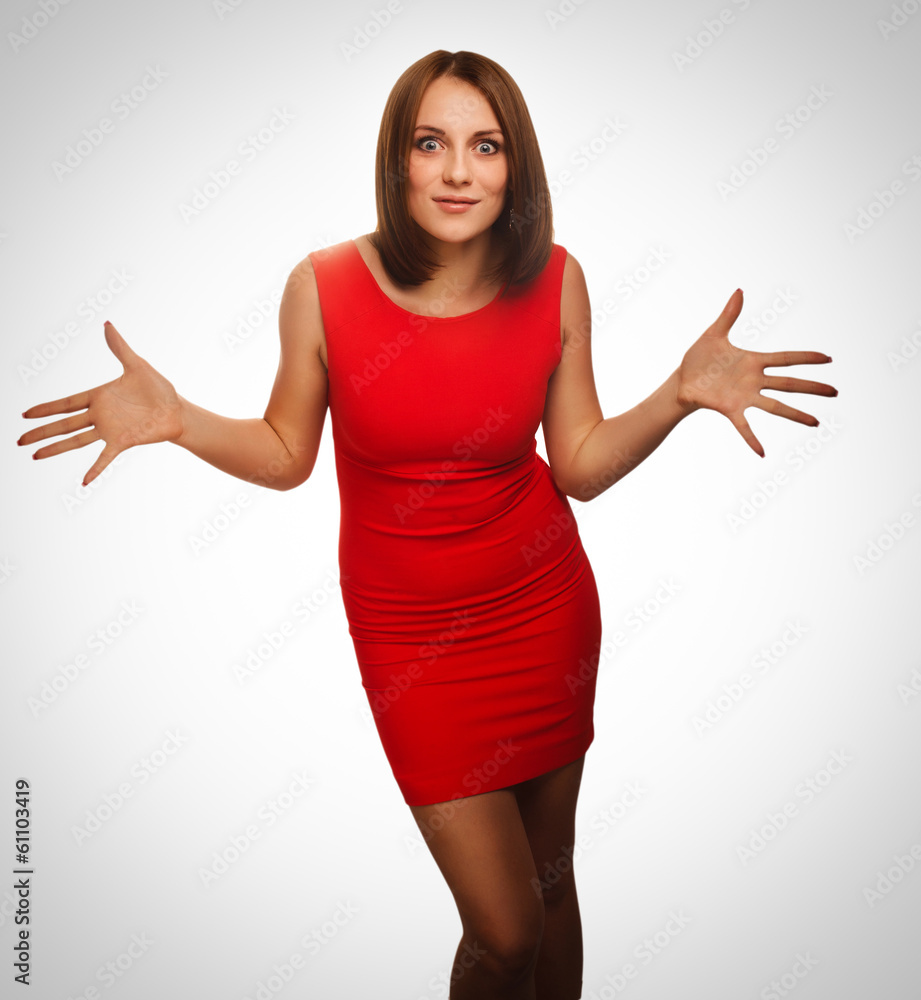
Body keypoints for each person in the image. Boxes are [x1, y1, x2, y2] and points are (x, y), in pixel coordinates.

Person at [18, 49, 836, 1000]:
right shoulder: (323, 285)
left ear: (515, 164)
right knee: (504, 930)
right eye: (429, 144)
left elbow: (578, 466)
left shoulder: (556, 279)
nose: (457, 172)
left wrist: (677, 395)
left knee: (551, 880)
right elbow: (286, 454)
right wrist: (178, 420)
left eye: (485, 146)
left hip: (542, 610)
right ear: (396, 159)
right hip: (411, 645)